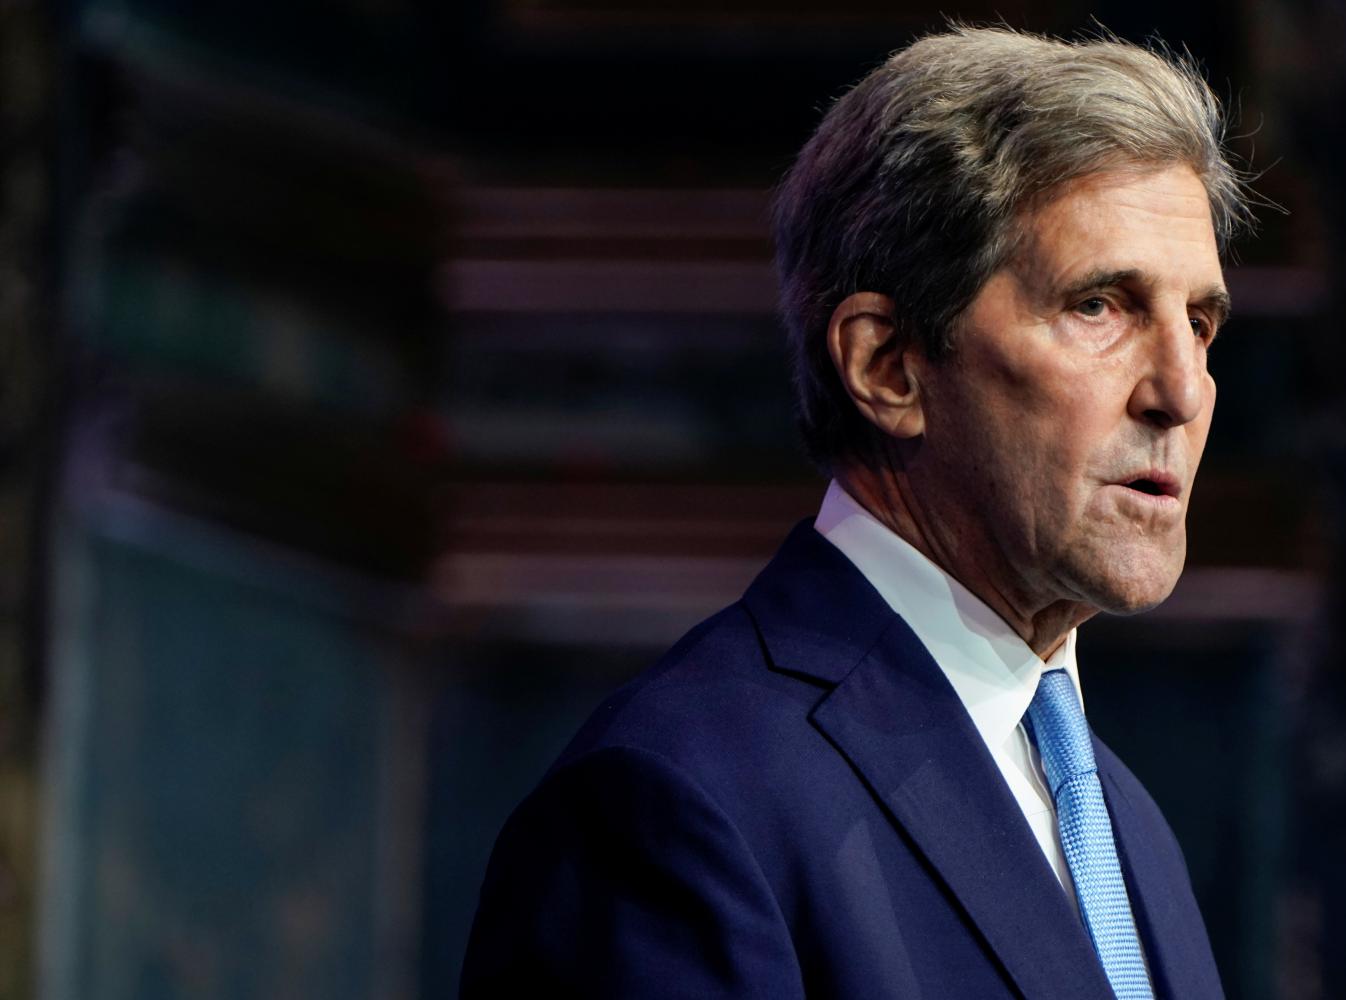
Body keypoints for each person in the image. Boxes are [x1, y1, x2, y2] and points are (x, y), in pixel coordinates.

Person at [462, 24, 1250, 999]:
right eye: (1101, 306)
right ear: (887, 366)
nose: (1181, 389)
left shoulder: (1131, 830)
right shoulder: (677, 802)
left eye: (1202, 322)